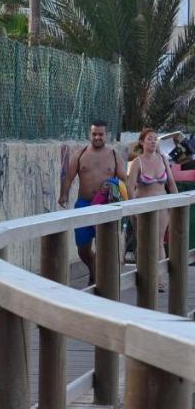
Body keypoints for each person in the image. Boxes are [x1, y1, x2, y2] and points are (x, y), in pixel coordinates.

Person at [57, 120, 127, 285]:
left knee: (104, 247)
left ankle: (98, 281)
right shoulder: (80, 155)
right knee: (83, 249)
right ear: (90, 134)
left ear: (106, 135)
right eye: (94, 133)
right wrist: (63, 195)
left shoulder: (114, 156)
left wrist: (126, 201)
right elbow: (68, 176)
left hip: (106, 207)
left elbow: (124, 180)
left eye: (100, 134)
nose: (97, 137)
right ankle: (94, 270)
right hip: (83, 205)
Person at [126, 127, 179, 291]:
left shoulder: (163, 159)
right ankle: (144, 276)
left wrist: (176, 204)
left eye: (155, 138)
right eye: (150, 138)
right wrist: (132, 208)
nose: (153, 141)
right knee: (144, 243)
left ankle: (159, 280)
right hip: (142, 207)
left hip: (162, 207)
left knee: (158, 242)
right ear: (142, 142)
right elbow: (129, 187)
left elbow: (171, 183)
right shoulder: (137, 162)